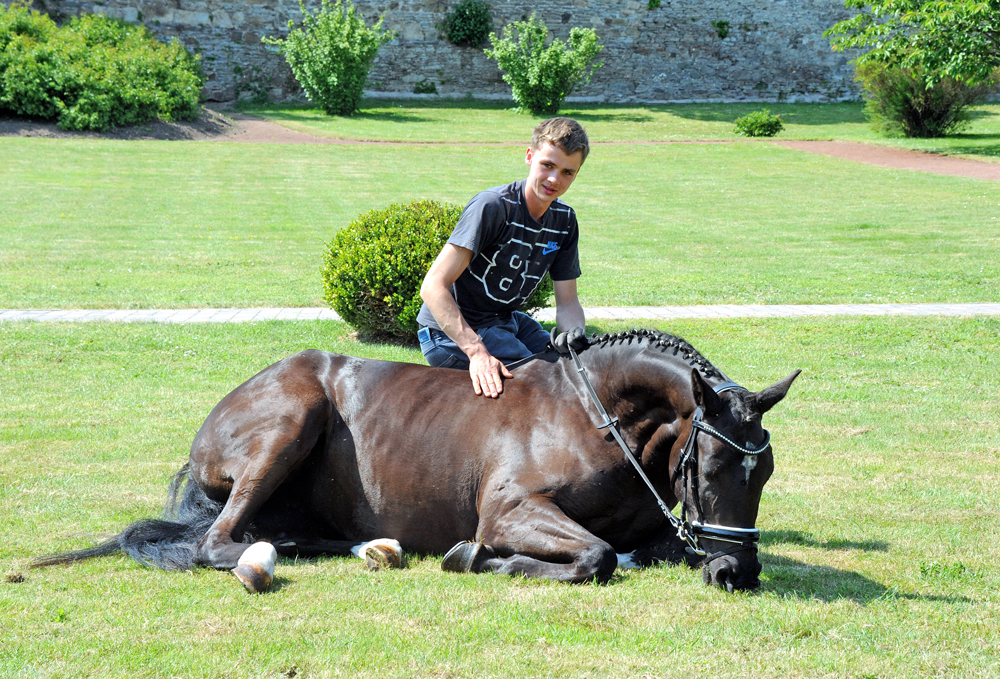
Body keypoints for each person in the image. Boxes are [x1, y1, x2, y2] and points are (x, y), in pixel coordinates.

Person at [416, 117, 591, 398]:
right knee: (545, 382)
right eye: (548, 165)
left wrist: (574, 334)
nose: (554, 180)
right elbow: (432, 286)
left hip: (506, 321)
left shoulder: (565, 221)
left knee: (581, 367)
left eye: (568, 172)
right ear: (529, 156)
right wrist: (477, 353)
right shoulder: (493, 206)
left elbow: (568, 301)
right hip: (449, 334)